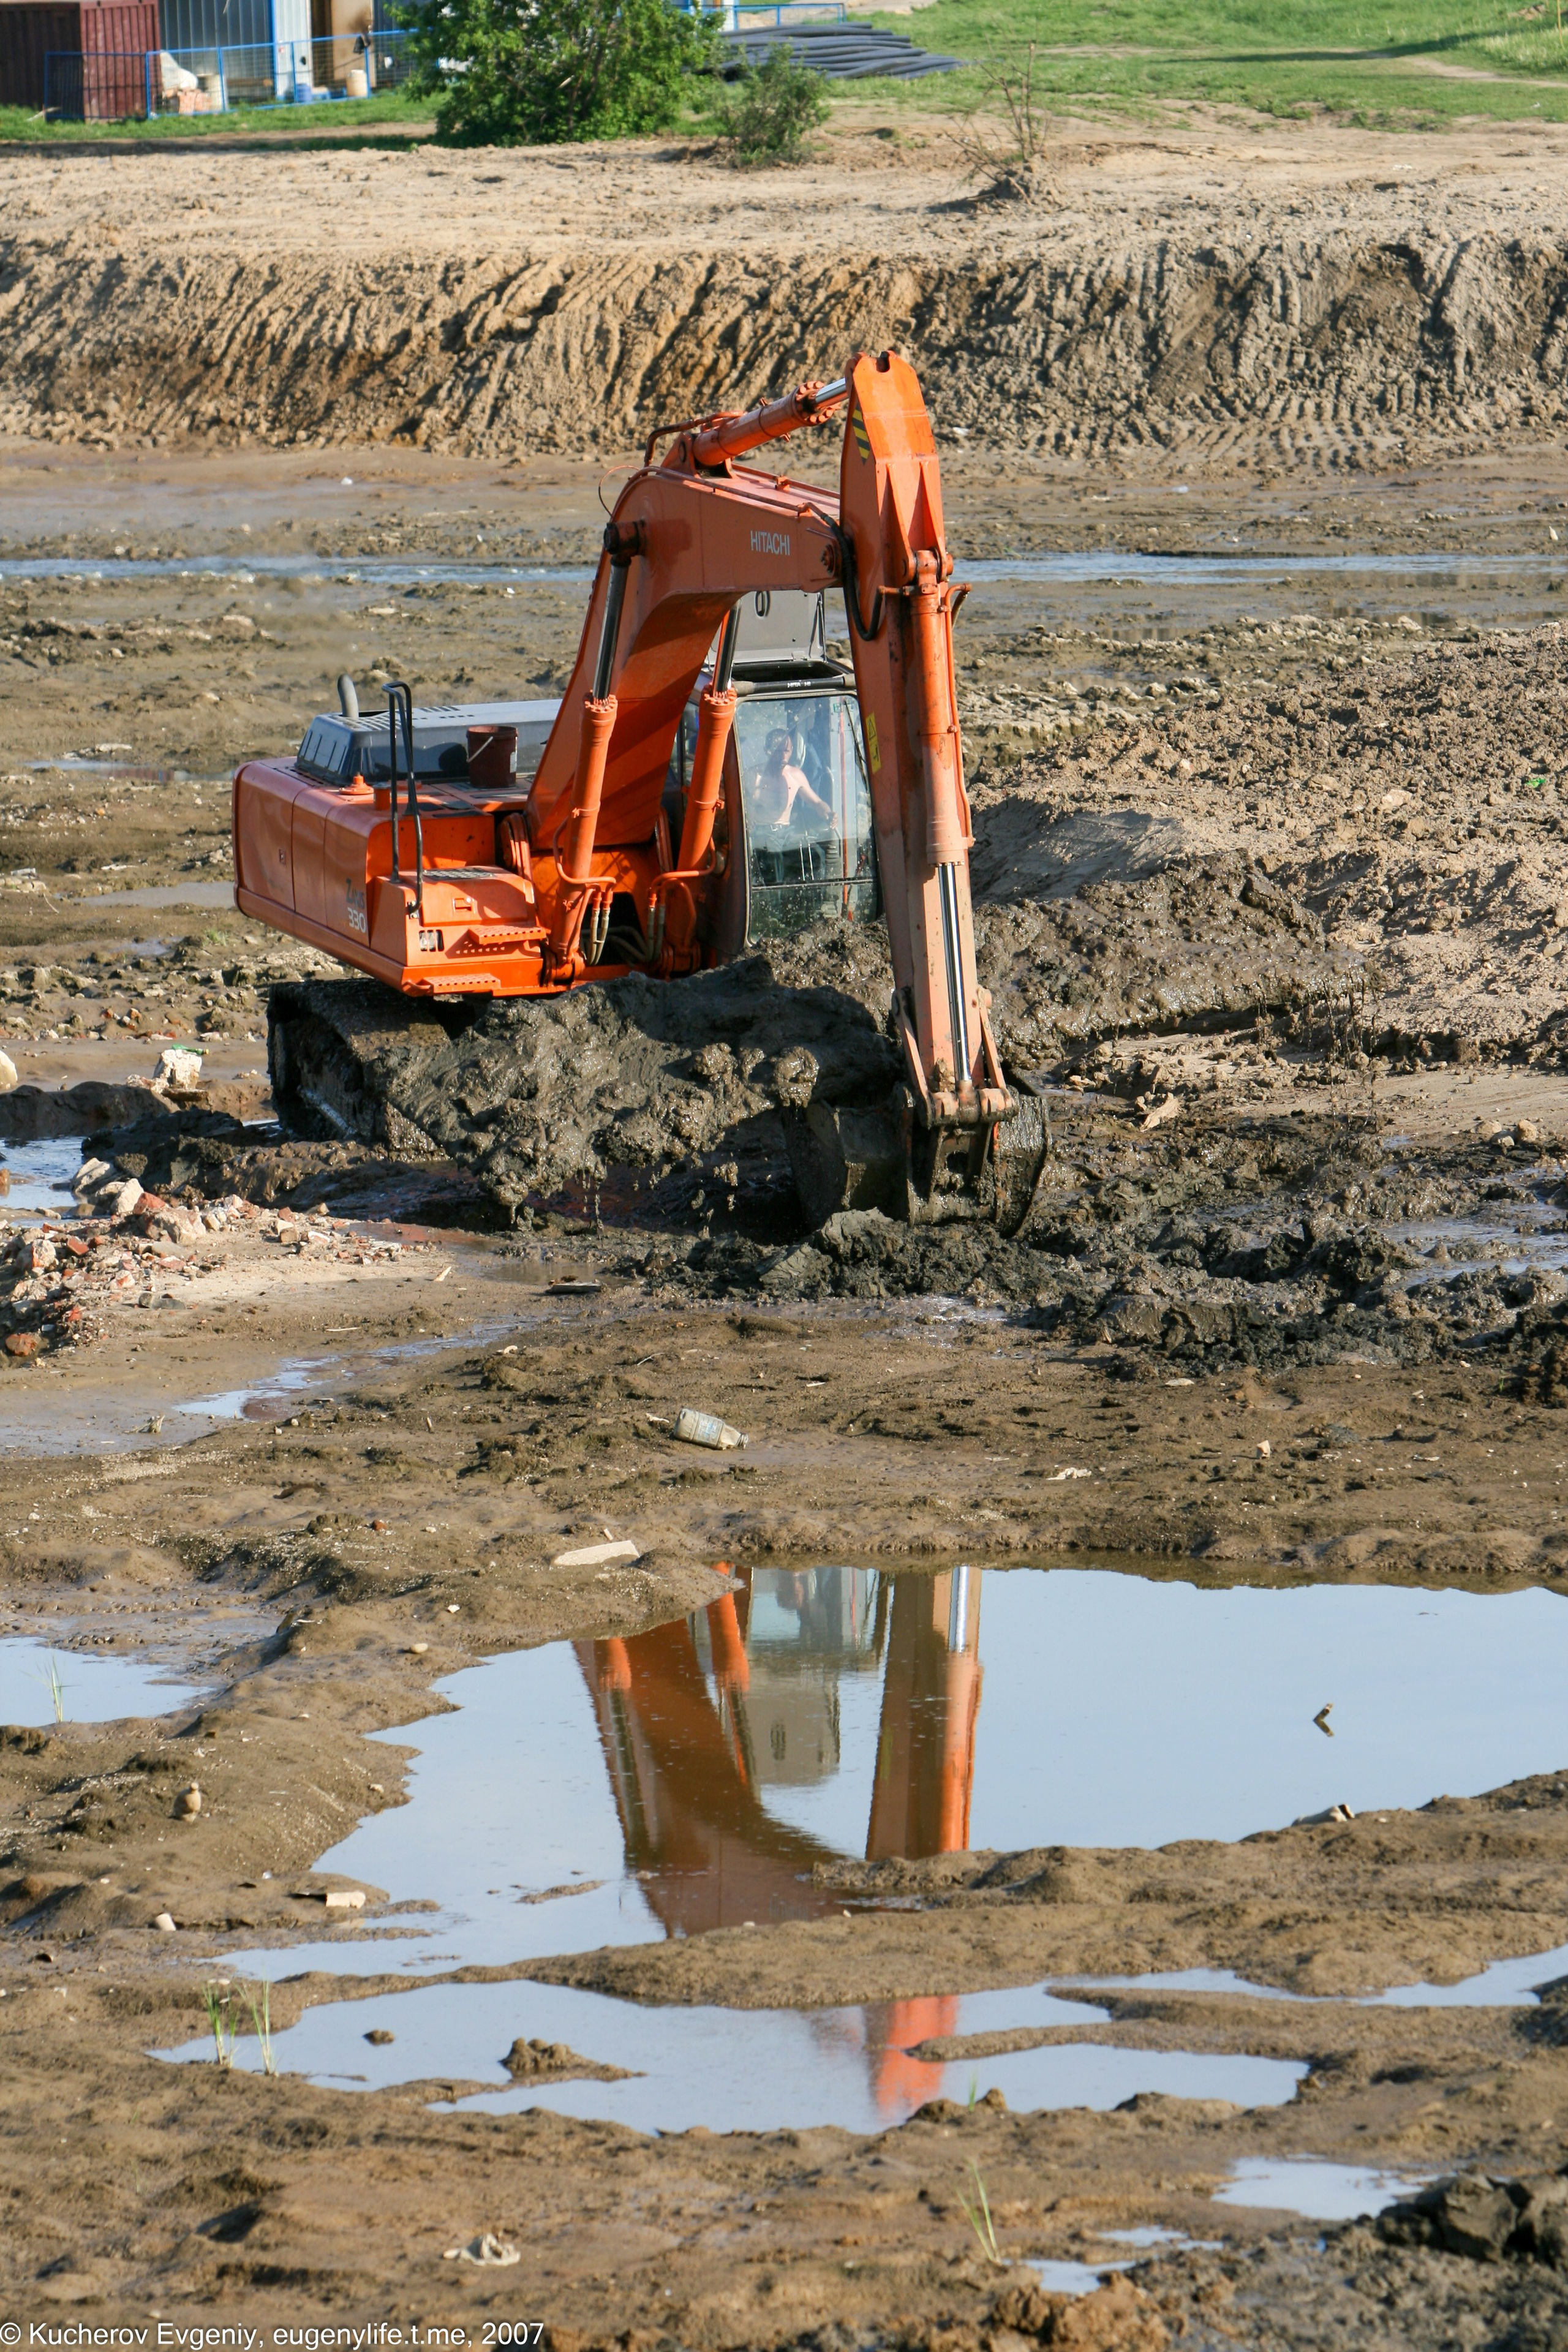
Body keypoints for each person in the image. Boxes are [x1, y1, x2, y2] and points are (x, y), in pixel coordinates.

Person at [751, 728, 834, 835]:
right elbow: (740, 808)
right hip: (762, 835)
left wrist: (828, 813)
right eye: (778, 751)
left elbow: (817, 803)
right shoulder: (754, 777)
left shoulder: (796, 776)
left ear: (792, 750)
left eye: (786, 751)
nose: (783, 757)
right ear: (767, 751)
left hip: (787, 834)